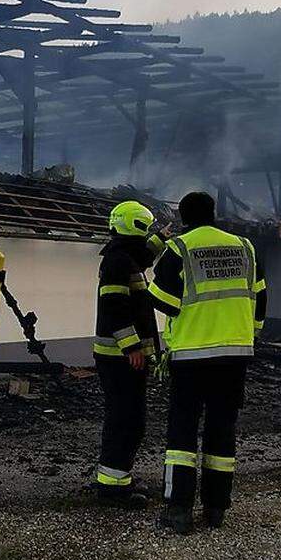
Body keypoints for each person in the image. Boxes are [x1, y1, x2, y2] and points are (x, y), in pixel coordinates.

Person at [147, 192, 266, 534]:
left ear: (183, 217)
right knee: (222, 429)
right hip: (235, 355)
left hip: (191, 356)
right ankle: (216, 507)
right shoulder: (246, 247)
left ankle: (179, 509)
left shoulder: (179, 249)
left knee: (183, 432)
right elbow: (260, 296)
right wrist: (249, 333)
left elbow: (164, 303)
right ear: (213, 213)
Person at [91, 200, 167, 506]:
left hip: (119, 358)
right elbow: (114, 309)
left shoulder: (124, 258)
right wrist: (132, 346)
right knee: (127, 420)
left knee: (127, 419)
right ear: (135, 227)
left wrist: (163, 236)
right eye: (146, 228)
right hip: (120, 358)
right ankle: (113, 488)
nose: (148, 234)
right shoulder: (118, 262)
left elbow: (145, 256)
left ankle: (116, 477)